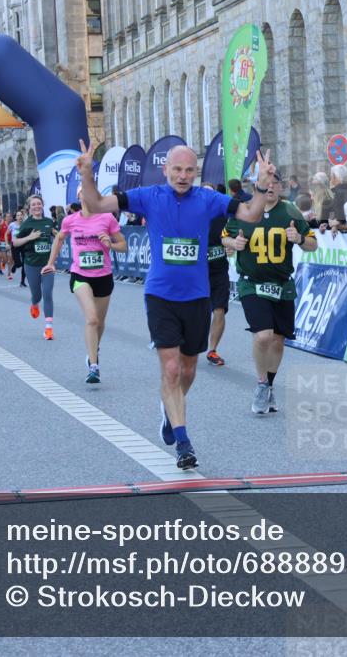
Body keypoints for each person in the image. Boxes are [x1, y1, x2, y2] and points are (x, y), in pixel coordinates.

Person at [75, 140, 270, 470]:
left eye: (189, 170)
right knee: (171, 369)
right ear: (165, 169)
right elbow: (95, 204)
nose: (182, 175)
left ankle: (170, 407)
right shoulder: (148, 196)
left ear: (197, 172)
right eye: (177, 169)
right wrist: (86, 174)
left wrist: (261, 185)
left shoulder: (208, 199)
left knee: (188, 370)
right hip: (160, 296)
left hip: (197, 297)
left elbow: (251, 213)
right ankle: (183, 442)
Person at [223, 172, 317, 414]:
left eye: (276, 183)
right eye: (267, 183)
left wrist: (299, 238)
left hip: (282, 284)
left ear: (281, 186)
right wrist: (234, 244)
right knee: (263, 336)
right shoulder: (244, 210)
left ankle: (270, 386)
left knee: (277, 340)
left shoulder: (290, 211)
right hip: (251, 283)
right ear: (257, 186)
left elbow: (313, 244)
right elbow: (224, 238)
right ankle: (262, 383)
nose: (271, 186)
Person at [44, 187, 127, 380]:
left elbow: (124, 246)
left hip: (103, 275)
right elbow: (59, 238)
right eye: (84, 192)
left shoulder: (107, 218)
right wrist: (50, 263)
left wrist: (111, 244)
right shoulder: (70, 220)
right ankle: (94, 366)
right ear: (79, 196)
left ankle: (93, 349)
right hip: (80, 275)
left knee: (100, 323)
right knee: (92, 319)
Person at [13, 195, 58, 340]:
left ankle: (48, 329)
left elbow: (57, 236)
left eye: (39, 204)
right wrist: (29, 238)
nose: (37, 206)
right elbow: (15, 242)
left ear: (42, 205)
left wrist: (58, 235)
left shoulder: (49, 222)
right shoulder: (27, 224)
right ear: (29, 208)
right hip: (31, 264)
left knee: (47, 293)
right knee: (37, 295)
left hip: (47, 264)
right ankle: (34, 304)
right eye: (34, 204)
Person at [202, 182, 231, 367]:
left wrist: (231, 245)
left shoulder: (223, 215)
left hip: (219, 270)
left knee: (219, 310)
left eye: (210, 195)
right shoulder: (190, 215)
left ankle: (212, 350)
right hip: (196, 272)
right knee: (195, 312)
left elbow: (233, 235)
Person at [8, 210, 28, 286]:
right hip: (15, 245)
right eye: (18, 215)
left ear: (22, 216)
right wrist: (7, 243)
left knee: (24, 264)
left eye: (21, 215)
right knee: (19, 264)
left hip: (23, 244)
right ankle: (15, 265)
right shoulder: (12, 225)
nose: (20, 216)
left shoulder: (25, 224)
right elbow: (6, 234)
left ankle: (22, 281)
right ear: (16, 217)